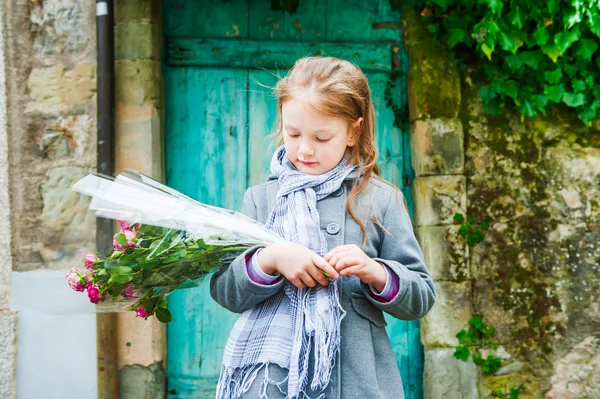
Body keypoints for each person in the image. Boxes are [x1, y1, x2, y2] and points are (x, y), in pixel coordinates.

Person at [210, 56, 436, 399]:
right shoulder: (261, 199)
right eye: (293, 133)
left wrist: (375, 272)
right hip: (272, 385)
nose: (304, 149)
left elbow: (421, 296)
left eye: (321, 137)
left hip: (359, 385)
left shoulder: (380, 200)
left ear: (353, 131)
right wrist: (270, 259)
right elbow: (225, 290)